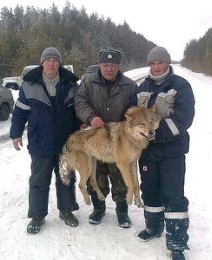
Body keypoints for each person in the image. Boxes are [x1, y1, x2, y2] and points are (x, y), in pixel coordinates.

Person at [132, 46, 195, 260]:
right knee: (149, 190)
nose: (157, 66)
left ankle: (177, 243)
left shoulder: (180, 86)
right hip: (147, 152)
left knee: (173, 195)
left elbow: (184, 119)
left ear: (167, 63)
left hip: (172, 151)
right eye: (153, 63)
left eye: (160, 62)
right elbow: (132, 116)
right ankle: (154, 227)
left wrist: (153, 133)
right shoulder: (141, 88)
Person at [10, 47, 80, 235]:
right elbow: (19, 113)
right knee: (39, 180)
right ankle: (37, 215)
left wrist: (82, 128)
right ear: (42, 63)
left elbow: (78, 112)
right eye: (47, 60)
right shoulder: (29, 85)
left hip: (67, 143)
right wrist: (15, 133)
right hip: (40, 142)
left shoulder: (71, 84)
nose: (51, 63)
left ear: (59, 63)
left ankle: (66, 211)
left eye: (55, 60)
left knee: (66, 178)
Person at [75, 48, 137, 228]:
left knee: (120, 176)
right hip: (95, 139)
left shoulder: (130, 86)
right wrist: (90, 117)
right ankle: (98, 208)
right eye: (105, 64)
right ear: (100, 65)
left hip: (119, 142)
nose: (109, 68)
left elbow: (134, 111)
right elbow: (80, 102)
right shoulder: (87, 82)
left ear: (118, 66)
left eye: (113, 65)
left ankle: (122, 211)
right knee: (96, 175)